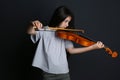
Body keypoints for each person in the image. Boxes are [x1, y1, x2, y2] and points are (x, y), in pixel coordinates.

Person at [27, 6, 104, 80]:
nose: (67, 25)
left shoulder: (65, 34)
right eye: (66, 21)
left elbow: (71, 50)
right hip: (48, 73)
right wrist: (33, 23)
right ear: (59, 18)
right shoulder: (44, 30)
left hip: (63, 72)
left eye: (69, 22)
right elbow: (30, 31)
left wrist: (92, 47)